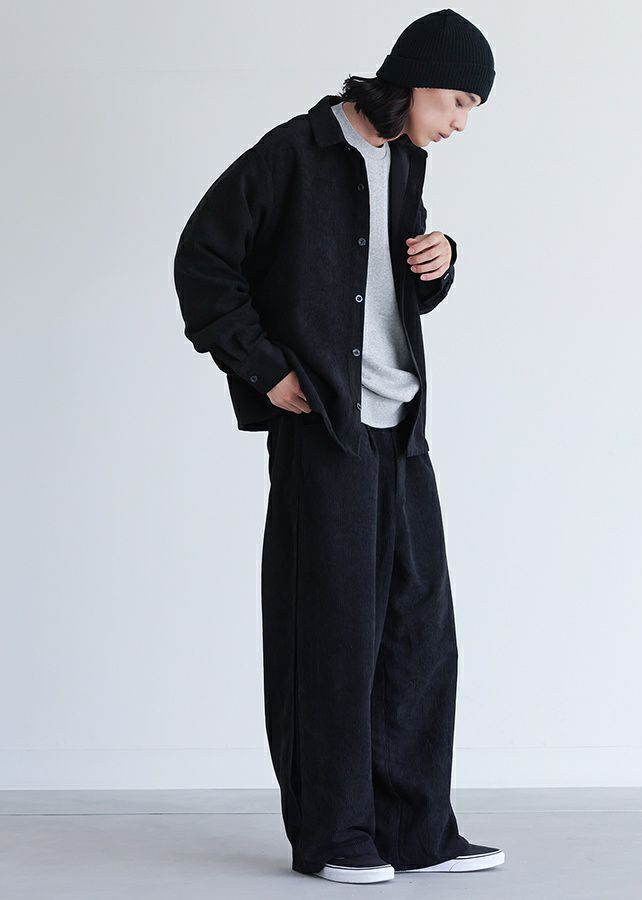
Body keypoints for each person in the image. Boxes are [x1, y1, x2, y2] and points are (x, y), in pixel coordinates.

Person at [173, 8, 501, 885]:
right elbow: (202, 261)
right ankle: (334, 836)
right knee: (330, 636)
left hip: (403, 429)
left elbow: (387, 292)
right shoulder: (294, 151)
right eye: (458, 101)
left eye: (471, 108)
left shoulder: (406, 160)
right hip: (326, 429)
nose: (461, 122)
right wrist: (267, 371)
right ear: (415, 78)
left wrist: (442, 261)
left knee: (418, 634)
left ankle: (415, 831)